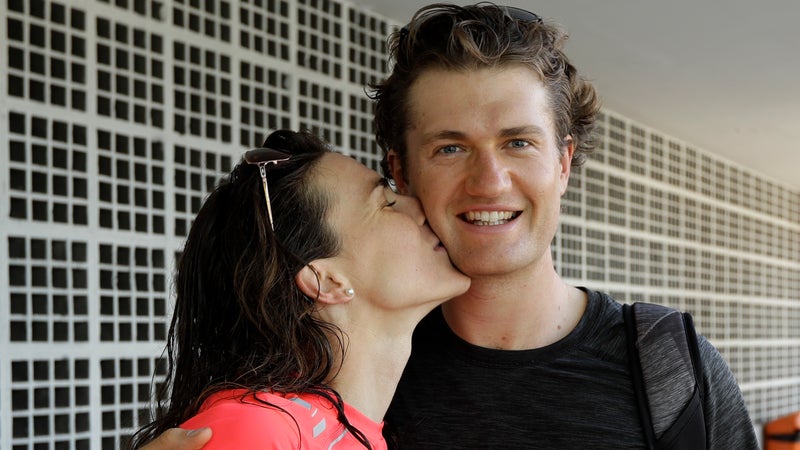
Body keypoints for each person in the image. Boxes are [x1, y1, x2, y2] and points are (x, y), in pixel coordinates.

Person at [142, 3, 759, 448]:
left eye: (518, 142)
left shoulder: (673, 369)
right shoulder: (334, 392)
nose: (490, 182)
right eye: (450, 148)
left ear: (563, 163)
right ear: (401, 174)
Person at [130, 129, 470, 449]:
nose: (421, 206)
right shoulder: (260, 430)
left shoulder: (348, 431)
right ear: (326, 280)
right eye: (387, 201)